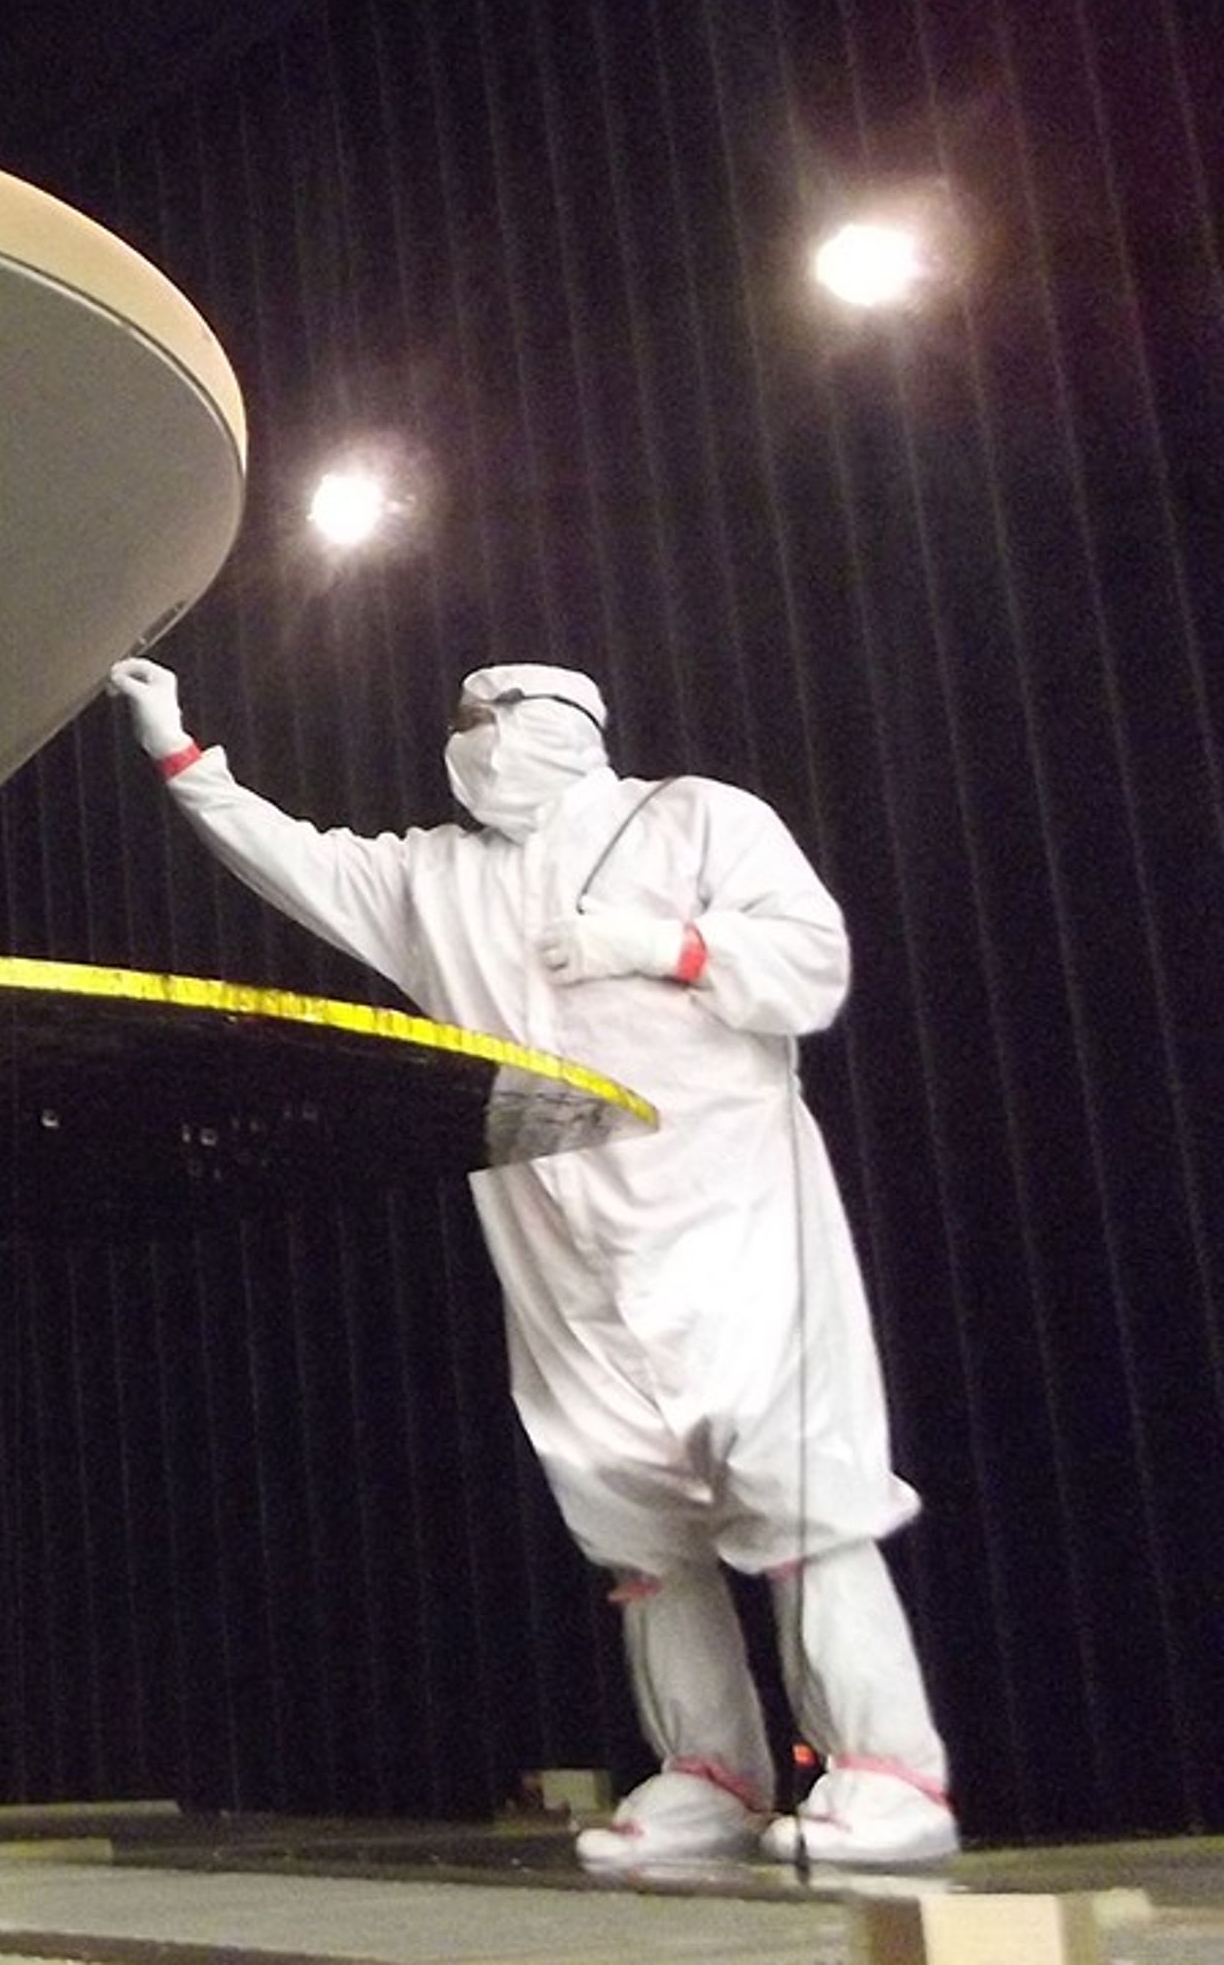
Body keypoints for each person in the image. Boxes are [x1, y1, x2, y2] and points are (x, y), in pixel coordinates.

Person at [103, 656, 956, 1869]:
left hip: (724, 1210)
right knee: (630, 1516)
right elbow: (295, 859)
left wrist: (664, 947)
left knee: (794, 1483)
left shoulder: (695, 817)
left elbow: (812, 965)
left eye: (500, 718)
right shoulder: (433, 877)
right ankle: (708, 1774)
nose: (479, 741)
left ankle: (885, 1772)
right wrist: (178, 751)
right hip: (555, 1235)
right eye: (461, 722)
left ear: (570, 725)